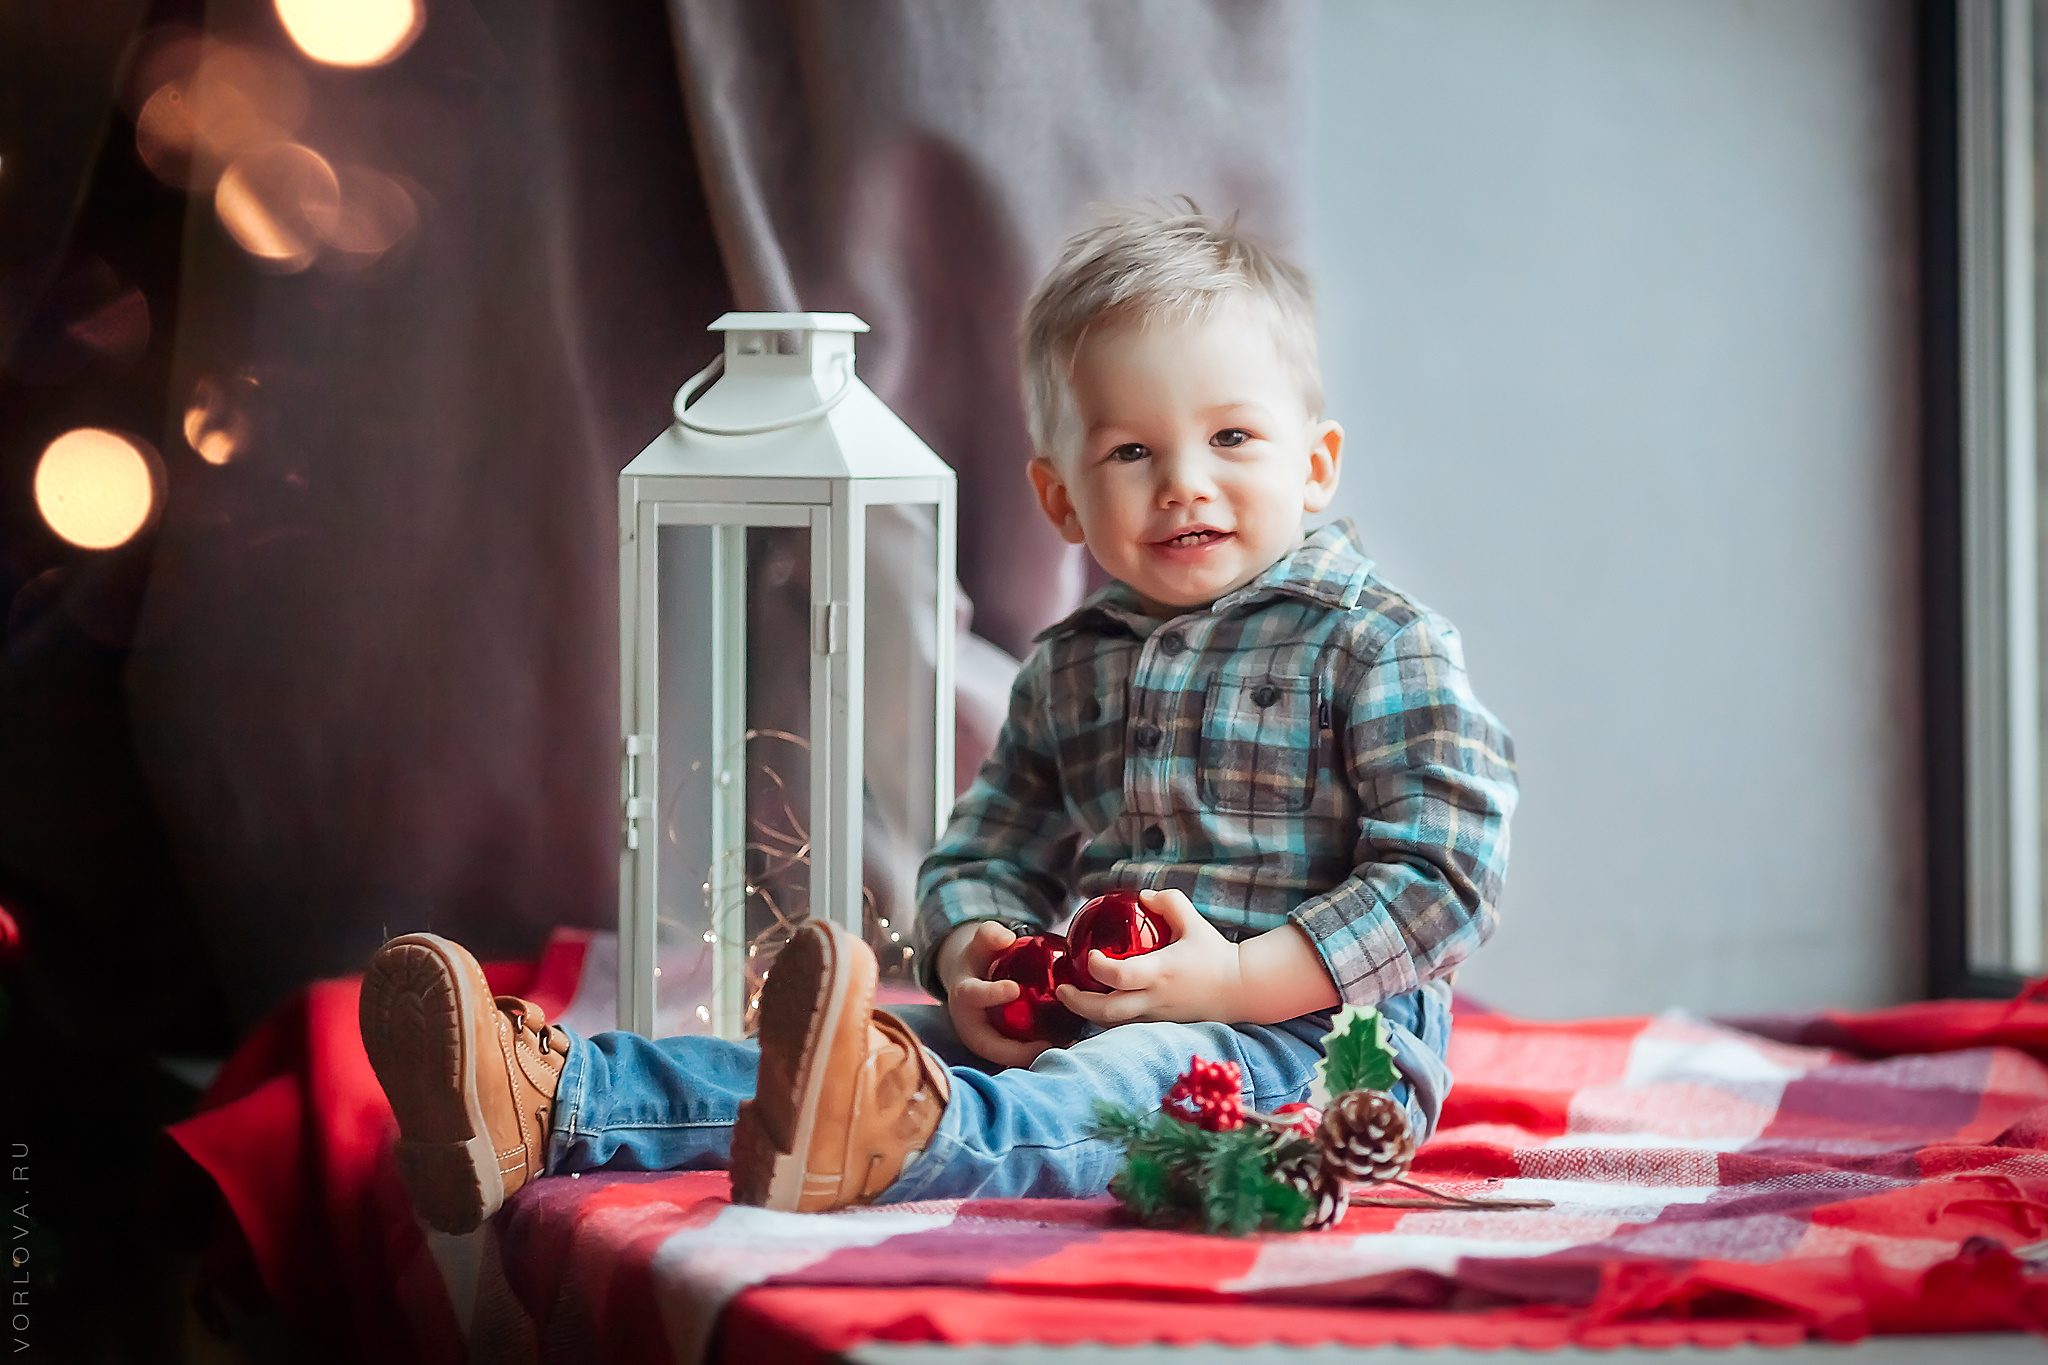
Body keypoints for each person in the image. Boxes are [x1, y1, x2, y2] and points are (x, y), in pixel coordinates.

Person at [359, 203, 1517, 1234]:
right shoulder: (1071, 666)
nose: (1182, 482)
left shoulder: (1375, 643)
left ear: (1314, 465)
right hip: (1087, 1004)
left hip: (1307, 1047)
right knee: (861, 1045)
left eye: (1230, 437)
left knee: (1105, 1089)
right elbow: (989, 846)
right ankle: (554, 1102)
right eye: (1129, 450)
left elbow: (1448, 873)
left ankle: (900, 1144)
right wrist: (973, 954)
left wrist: (1238, 981)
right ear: (1059, 496)